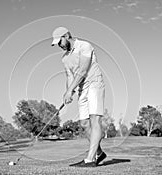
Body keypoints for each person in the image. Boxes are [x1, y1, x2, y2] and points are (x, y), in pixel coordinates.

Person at [51, 27, 107, 167]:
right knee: (84, 123)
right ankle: (99, 153)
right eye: (57, 43)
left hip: (95, 83)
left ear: (67, 35)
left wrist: (70, 90)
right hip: (82, 89)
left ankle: (90, 159)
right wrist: (68, 92)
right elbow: (70, 76)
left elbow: (83, 70)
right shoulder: (65, 58)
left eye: (60, 41)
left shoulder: (84, 46)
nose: (60, 45)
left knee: (95, 119)